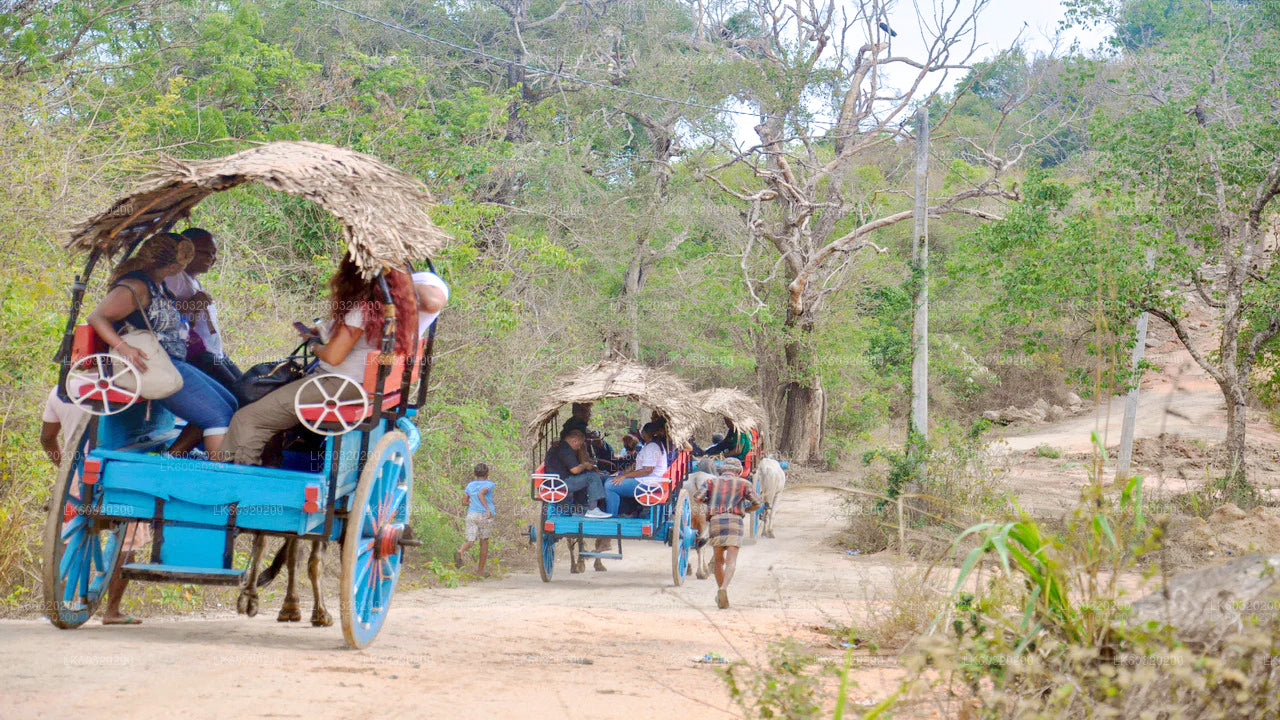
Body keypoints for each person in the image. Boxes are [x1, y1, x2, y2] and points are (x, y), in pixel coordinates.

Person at [221, 255, 418, 465]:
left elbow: (333, 356)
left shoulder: (362, 310)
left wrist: (313, 345)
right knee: (270, 407)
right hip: (362, 386)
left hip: (337, 385)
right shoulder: (396, 310)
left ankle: (240, 483)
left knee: (248, 418)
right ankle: (269, 465)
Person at [86, 233, 238, 457]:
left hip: (172, 360)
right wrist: (122, 347)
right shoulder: (135, 287)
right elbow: (97, 317)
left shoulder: (158, 285)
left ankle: (177, 458)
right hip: (155, 365)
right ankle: (217, 479)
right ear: (176, 264)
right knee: (218, 416)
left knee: (231, 403)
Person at [42, 387, 149, 625]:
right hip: (120, 477)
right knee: (126, 539)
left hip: (79, 477)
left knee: (68, 536)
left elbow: (47, 438)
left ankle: (55, 605)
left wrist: (65, 469)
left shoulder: (60, 391)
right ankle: (112, 611)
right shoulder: (131, 390)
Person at [165, 228, 242, 395]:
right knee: (237, 396)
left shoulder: (192, 281)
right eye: (204, 252)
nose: (211, 257)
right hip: (197, 354)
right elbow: (161, 315)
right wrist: (192, 304)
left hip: (214, 352)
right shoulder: (173, 279)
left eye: (213, 253)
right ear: (186, 252)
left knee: (246, 389)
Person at [699, 457, 762, 609]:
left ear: (722, 469)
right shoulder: (744, 483)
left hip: (716, 522)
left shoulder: (711, 482)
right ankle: (723, 589)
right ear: (738, 471)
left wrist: (712, 502)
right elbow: (758, 503)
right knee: (731, 561)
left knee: (718, 561)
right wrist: (745, 509)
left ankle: (720, 592)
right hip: (735, 522)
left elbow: (697, 497)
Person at [603, 422, 668, 517]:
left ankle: (612, 516)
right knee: (609, 479)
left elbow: (647, 470)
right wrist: (622, 474)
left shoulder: (652, 447)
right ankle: (623, 511)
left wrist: (624, 476)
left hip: (648, 484)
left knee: (609, 486)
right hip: (649, 481)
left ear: (645, 433)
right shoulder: (654, 445)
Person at [543, 428, 610, 518]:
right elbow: (574, 470)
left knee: (586, 476)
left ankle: (582, 506)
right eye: (579, 445)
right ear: (575, 441)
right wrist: (585, 465)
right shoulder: (565, 449)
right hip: (559, 483)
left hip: (558, 480)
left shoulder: (561, 446)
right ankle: (593, 509)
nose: (579, 448)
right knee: (592, 477)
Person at [455, 463, 495, 576]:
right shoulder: (490, 484)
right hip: (484, 516)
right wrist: (487, 509)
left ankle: (461, 551)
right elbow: (481, 494)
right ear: (488, 473)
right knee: (484, 542)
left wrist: (471, 503)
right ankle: (480, 572)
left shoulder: (470, 485)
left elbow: (464, 502)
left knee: (470, 541)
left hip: (471, 514)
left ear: (474, 474)